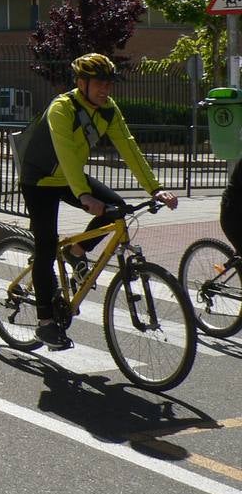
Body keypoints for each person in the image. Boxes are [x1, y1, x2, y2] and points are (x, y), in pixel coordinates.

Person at [17, 53, 177, 349]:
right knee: (46, 245)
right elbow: (64, 152)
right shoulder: (62, 108)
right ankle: (45, 323)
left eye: (108, 84)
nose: (105, 90)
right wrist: (84, 195)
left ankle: (77, 251)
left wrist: (154, 188)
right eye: (99, 84)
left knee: (118, 209)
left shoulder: (108, 109)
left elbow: (128, 147)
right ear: (81, 83)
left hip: (70, 177)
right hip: (39, 180)